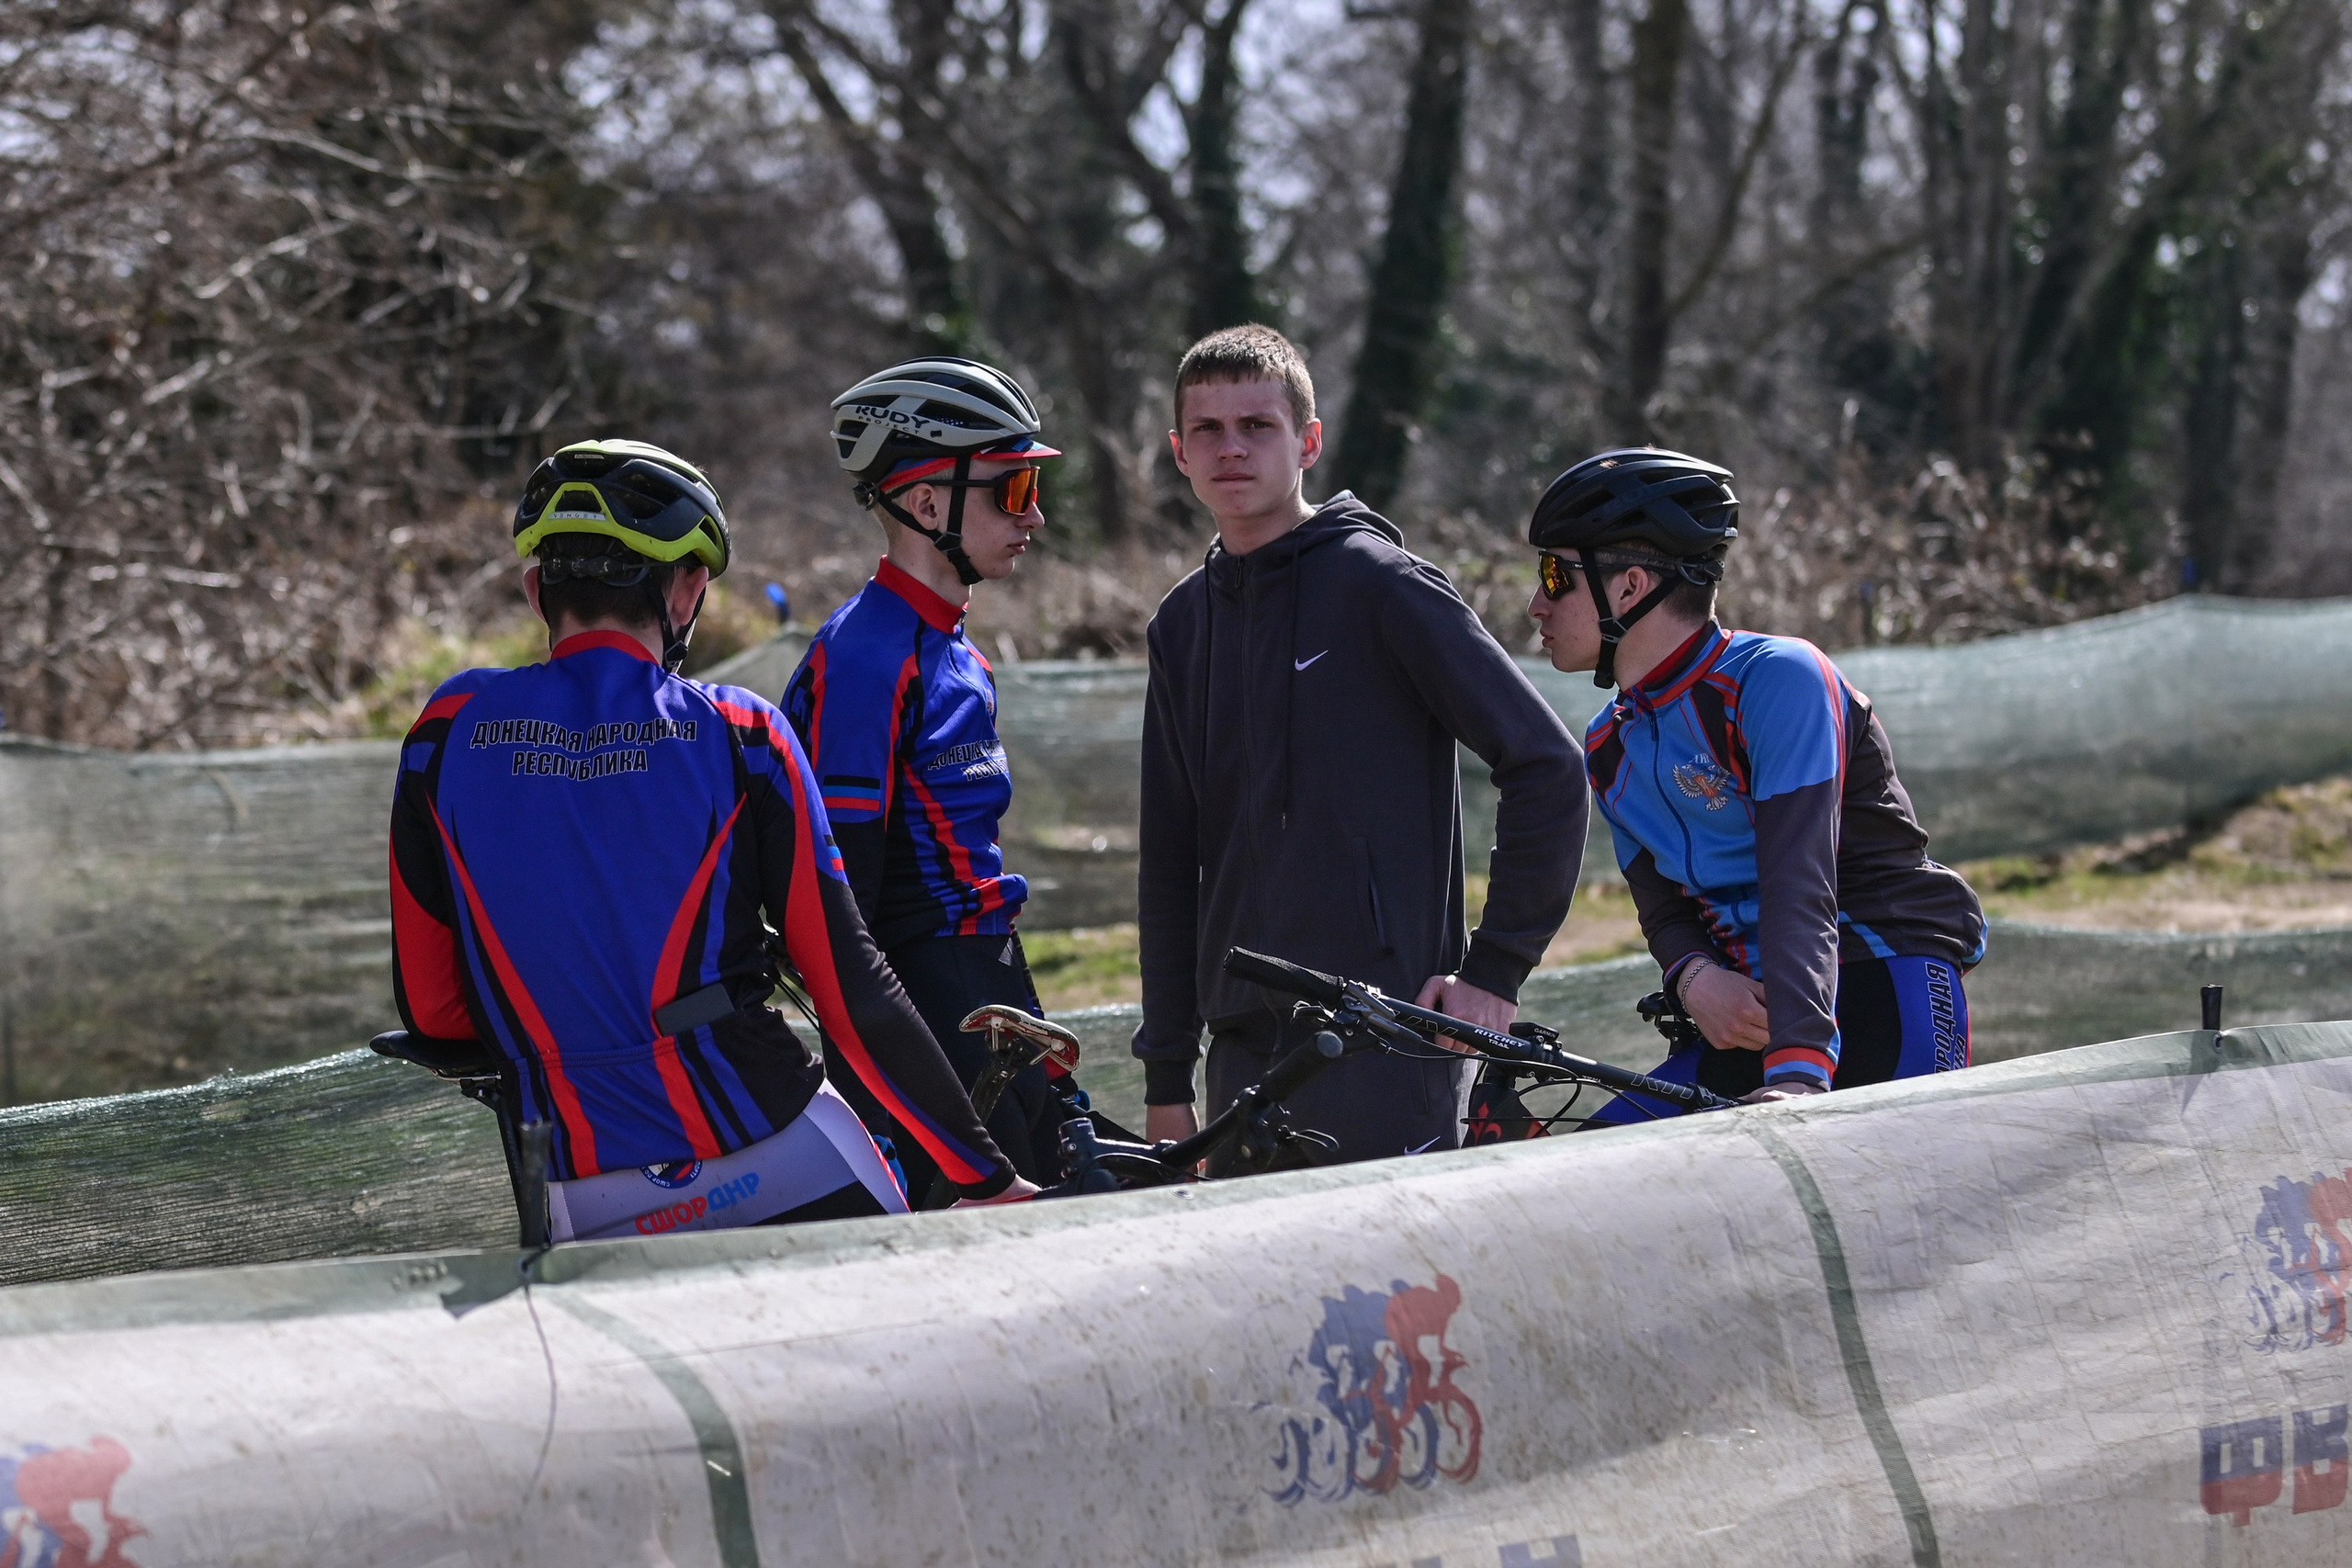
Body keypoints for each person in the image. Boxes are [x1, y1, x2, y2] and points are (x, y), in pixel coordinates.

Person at [390, 437, 1033, 1241]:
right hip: (778, 1152)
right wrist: (984, 1174)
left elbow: (437, 1010)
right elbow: (851, 988)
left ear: (535, 591)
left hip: (579, 1190)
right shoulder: (740, 731)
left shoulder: (445, 732)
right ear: (689, 587)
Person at [1135, 324, 1589, 1166]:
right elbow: (1168, 861)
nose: (1232, 448)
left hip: (1385, 1043)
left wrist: (1494, 971)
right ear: (1179, 452)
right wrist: (1167, 1075)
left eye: (1258, 426)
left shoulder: (1382, 584)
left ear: (1308, 441)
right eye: (1208, 429)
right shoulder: (1181, 626)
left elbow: (1547, 765)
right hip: (1240, 1059)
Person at [1521, 446, 1986, 1119]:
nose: (1536, 604)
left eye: (1554, 575)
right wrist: (1693, 977)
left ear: (1629, 587)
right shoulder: (1609, 744)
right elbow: (1664, 908)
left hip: (1883, 971)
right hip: (1756, 1010)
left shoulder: (1777, 678)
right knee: (1593, 1158)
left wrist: (1798, 1074)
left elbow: (1800, 881)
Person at [782, 358, 1078, 1196]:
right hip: (928, 1004)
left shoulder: (956, 649)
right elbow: (847, 905)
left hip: (991, 984)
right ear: (924, 503)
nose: (1034, 514)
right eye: (1013, 489)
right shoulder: (865, 658)